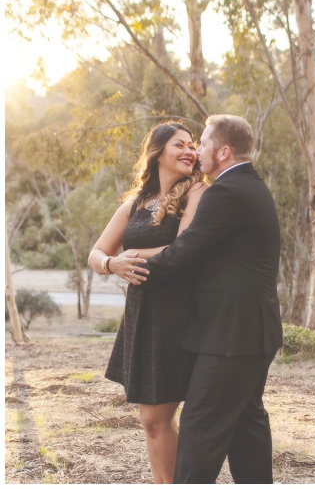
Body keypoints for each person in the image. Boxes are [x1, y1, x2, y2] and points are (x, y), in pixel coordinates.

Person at [136, 114, 283, 484]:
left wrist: (134, 272)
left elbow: (185, 251)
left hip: (231, 336)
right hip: (252, 332)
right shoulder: (250, 185)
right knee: (247, 425)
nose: (197, 151)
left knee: (200, 424)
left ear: (223, 151)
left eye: (201, 143)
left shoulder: (226, 191)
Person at [88, 121, 208, 484]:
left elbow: (185, 249)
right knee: (153, 421)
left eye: (193, 145)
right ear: (158, 152)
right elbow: (95, 253)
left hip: (181, 313)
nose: (190, 150)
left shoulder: (197, 192)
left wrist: (132, 254)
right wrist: (112, 263)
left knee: (160, 419)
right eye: (180, 144)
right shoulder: (135, 202)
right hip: (143, 316)